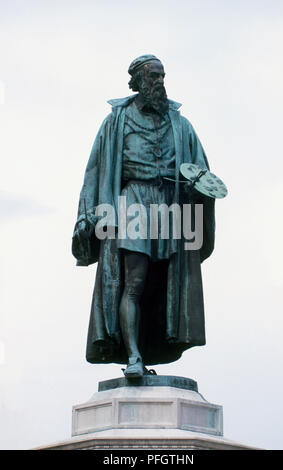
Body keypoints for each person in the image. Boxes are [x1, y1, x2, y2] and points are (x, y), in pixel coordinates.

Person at [72, 55, 215, 378]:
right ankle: (134, 356)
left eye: (163, 76)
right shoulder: (117, 121)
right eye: (153, 76)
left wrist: (198, 190)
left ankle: (149, 348)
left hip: (171, 206)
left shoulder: (180, 124)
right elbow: (96, 170)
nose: (160, 82)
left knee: (162, 282)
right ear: (137, 82)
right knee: (134, 281)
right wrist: (92, 214)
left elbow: (202, 171)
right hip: (132, 202)